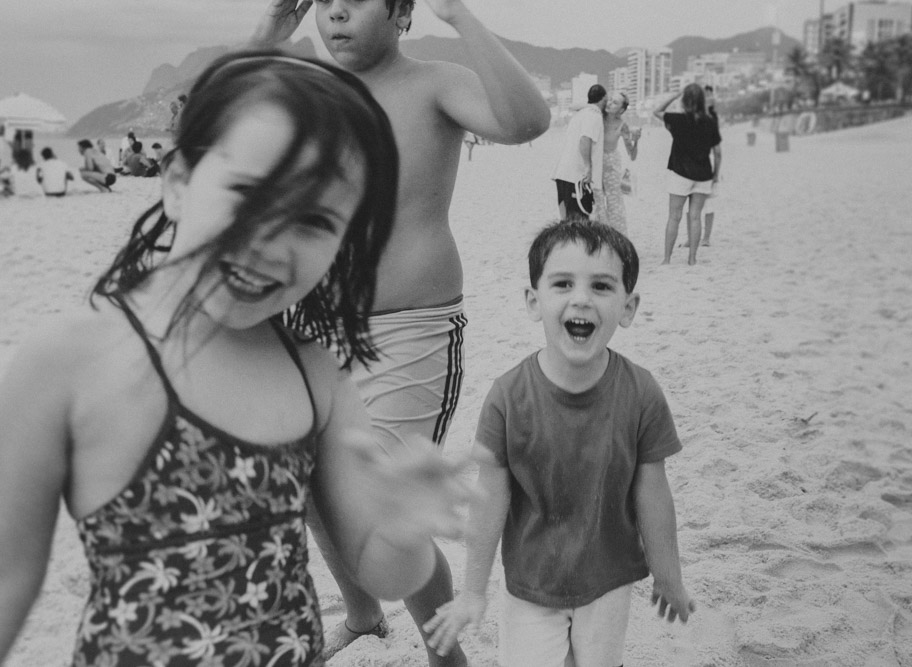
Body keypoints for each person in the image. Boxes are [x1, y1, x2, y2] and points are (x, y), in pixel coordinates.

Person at [0, 51, 471, 667]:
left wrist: (402, 530)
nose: (269, 240)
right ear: (178, 182)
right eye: (248, 193)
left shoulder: (314, 376)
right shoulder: (66, 364)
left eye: (314, 219)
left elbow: (380, 570)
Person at [249, 1, 550, 663]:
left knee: (385, 507)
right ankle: (361, 612)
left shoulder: (433, 85)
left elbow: (527, 119)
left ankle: (447, 655)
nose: (336, 14)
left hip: (412, 331)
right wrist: (271, 32)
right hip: (312, 327)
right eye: (325, 3)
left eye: (355, 1)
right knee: (312, 489)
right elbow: (214, 132)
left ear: (402, 12)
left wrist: (462, 17)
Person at [425, 220, 695, 666]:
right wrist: (473, 591)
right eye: (563, 283)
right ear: (535, 301)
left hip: (608, 578)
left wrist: (669, 576)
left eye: (602, 286)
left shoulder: (641, 392)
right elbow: (490, 494)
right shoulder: (508, 397)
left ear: (628, 308)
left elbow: (653, 492)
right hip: (530, 582)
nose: (582, 298)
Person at [654, 83, 721, 265]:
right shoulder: (709, 122)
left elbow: (657, 111)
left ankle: (667, 259)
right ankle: (692, 258)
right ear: (701, 101)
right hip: (703, 175)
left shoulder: (677, 120)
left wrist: (675, 95)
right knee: (695, 216)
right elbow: (718, 152)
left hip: (681, 173)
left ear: (684, 101)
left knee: (674, 216)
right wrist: (715, 174)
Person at [552, 84, 608, 223]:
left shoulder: (580, 114)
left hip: (563, 174)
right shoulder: (594, 115)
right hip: (576, 177)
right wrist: (588, 167)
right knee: (578, 223)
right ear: (603, 99)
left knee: (566, 222)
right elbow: (585, 139)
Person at [682, 85, 720, 247]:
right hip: (694, 164)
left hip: (707, 163)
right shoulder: (692, 116)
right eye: (706, 96)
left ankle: (706, 238)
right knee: (691, 205)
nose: (708, 98)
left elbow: (715, 146)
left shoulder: (712, 118)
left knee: (708, 204)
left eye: (710, 95)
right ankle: (692, 238)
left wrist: (716, 174)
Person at [599, 90, 640, 234]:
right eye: (610, 100)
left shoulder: (622, 125)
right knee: (596, 204)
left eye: (615, 102)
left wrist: (636, 141)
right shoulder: (596, 117)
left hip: (611, 166)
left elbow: (632, 155)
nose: (609, 103)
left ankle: (618, 239)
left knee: (615, 205)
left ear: (621, 110)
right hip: (595, 164)